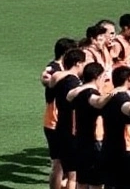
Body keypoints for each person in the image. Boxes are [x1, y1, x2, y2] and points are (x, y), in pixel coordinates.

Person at [42, 37, 77, 189]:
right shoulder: (54, 68)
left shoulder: (62, 70)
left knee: (61, 164)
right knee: (61, 164)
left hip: (53, 121)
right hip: (56, 121)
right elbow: (45, 78)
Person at [50, 47, 87, 189]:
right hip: (71, 130)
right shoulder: (73, 82)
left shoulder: (60, 79)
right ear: (78, 63)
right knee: (73, 175)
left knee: (62, 167)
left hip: (60, 126)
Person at [67, 62, 107, 189]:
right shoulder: (92, 93)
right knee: (96, 183)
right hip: (93, 143)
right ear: (97, 77)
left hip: (80, 141)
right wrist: (113, 95)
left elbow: (69, 96)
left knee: (82, 181)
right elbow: (97, 102)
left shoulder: (77, 93)